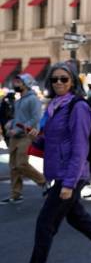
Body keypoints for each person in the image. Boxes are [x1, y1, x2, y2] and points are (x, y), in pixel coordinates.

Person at [5, 63, 91, 263]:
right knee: (78, 218)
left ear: (73, 82)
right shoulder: (54, 108)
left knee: (44, 225)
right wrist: (36, 139)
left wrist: (69, 184)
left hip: (71, 175)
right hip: (60, 173)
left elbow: (80, 147)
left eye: (64, 79)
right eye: (54, 79)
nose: (58, 83)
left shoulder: (77, 107)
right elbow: (52, 144)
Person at [1, 74, 47, 204]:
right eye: (15, 82)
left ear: (26, 84)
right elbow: (18, 118)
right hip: (15, 136)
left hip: (26, 136)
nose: (15, 84)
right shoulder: (19, 100)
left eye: (18, 82)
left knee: (21, 163)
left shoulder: (33, 99)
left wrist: (19, 128)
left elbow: (35, 118)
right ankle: (15, 195)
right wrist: (11, 123)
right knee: (13, 167)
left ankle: (43, 181)